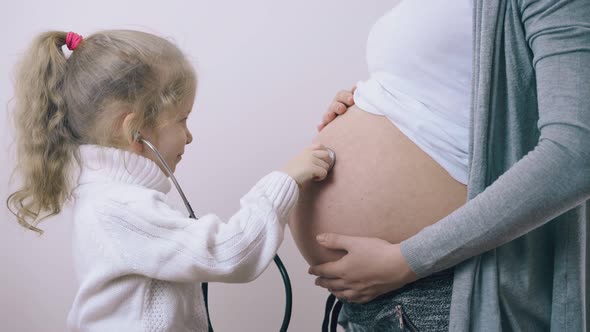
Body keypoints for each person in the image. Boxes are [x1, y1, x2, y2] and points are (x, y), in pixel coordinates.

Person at [6, 30, 334, 331]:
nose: (189, 137)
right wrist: (284, 180)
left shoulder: (112, 198)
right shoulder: (118, 207)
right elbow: (229, 255)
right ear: (134, 130)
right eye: (182, 120)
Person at [291, 0, 590, 330]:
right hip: (376, 297)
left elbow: (577, 154)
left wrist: (407, 260)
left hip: (444, 286)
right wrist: (365, 102)